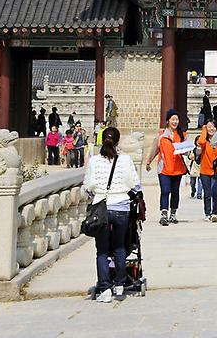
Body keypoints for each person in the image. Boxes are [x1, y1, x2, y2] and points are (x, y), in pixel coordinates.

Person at [82, 127, 140, 303]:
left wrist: (97, 196)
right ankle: (120, 284)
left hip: (102, 209)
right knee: (120, 247)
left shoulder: (94, 161)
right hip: (122, 207)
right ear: (118, 142)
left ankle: (105, 288)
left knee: (102, 250)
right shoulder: (125, 160)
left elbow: (88, 186)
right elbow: (135, 184)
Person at [145, 109, 187, 226]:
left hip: (177, 168)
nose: (175, 122)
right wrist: (148, 162)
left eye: (177, 119)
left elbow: (186, 150)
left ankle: (173, 214)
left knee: (175, 192)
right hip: (164, 168)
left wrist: (188, 153)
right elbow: (155, 149)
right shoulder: (161, 136)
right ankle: (164, 214)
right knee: (165, 191)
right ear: (168, 121)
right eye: (173, 119)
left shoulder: (182, 135)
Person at [196, 121, 217, 221]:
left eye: (213, 127)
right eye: (209, 127)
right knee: (207, 193)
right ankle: (207, 212)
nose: (211, 129)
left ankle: (215, 212)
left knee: (215, 192)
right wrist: (204, 128)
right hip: (205, 171)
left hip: (216, 170)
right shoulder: (204, 142)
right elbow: (200, 141)